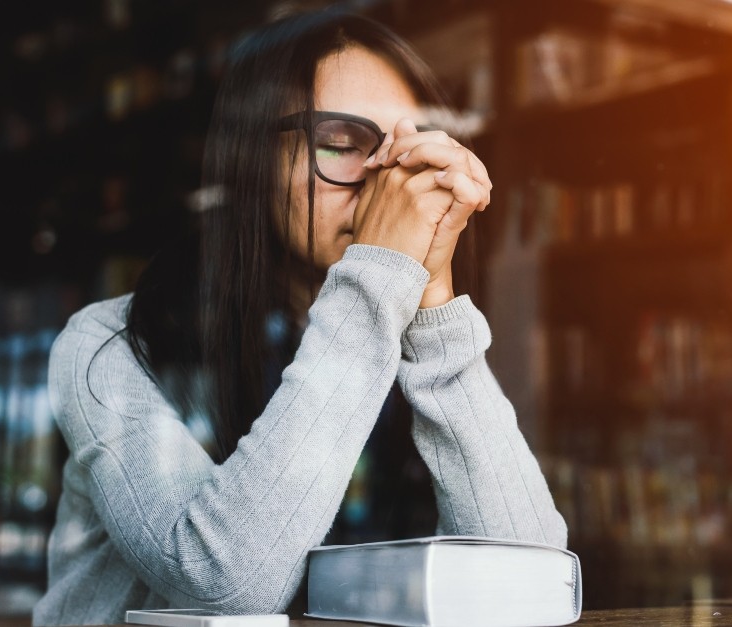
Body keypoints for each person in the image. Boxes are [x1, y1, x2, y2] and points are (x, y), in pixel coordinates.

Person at [33, 10, 567, 626]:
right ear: (252, 161)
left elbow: (533, 583)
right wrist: (380, 273)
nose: (388, 186)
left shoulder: (397, 337)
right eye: (340, 144)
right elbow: (226, 584)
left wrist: (434, 312)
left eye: (410, 154)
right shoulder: (107, 347)